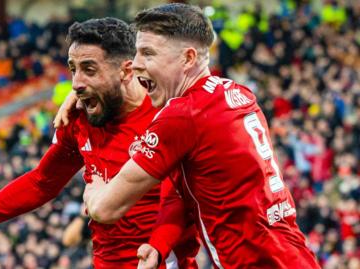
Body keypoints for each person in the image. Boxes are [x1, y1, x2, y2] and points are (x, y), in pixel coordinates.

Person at [0, 17, 200, 269]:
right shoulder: (80, 119)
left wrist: (160, 247)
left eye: (89, 69)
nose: (76, 83)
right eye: (73, 69)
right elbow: (40, 184)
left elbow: (181, 201)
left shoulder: (167, 116)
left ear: (125, 70)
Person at [81, 4, 321, 269]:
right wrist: (160, 244)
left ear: (188, 58)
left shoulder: (183, 116)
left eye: (148, 53)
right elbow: (183, 193)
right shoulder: (236, 94)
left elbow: (105, 209)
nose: (136, 63)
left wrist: (94, 188)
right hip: (292, 255)